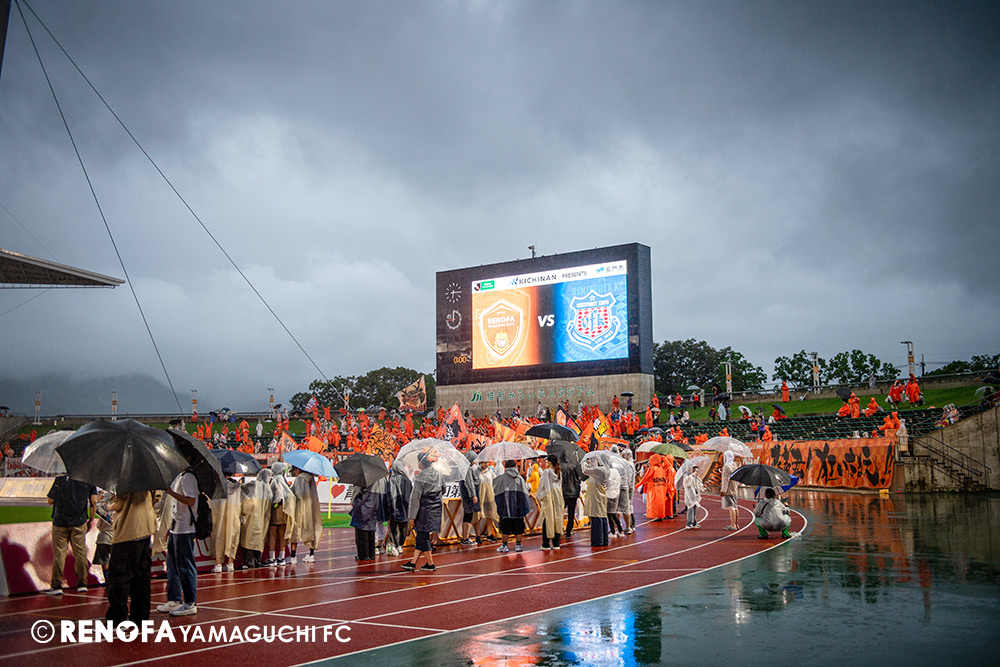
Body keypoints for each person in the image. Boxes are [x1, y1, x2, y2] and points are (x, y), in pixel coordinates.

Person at [105, 490, 156, 625]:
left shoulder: (126, 480)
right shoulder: (149, 480)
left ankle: (117, 619)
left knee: (119, 578)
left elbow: (119, 504)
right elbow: (155, 498)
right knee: (141, 577)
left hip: (127, 531)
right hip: (145, 527)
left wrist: (109, 506)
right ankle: (141, 616)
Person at [156, 464, 199, 616]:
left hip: (186, 528)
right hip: (176, 526)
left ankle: (190, 603)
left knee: (185, 565)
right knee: (172, 565)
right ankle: (174, 599)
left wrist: (171, 493)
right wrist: (170, 527)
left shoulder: (188, 477)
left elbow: (191, 501)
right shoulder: (179, 477)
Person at [46, 474, 97, 595]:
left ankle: (57, 585)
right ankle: (82, 583)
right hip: (79, 522)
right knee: (80, 553)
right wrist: (91, 519)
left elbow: (50, 501)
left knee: (59, 555)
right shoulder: (88, 479)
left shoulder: (60, 479)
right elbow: (94, 501)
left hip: (60, 522)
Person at [403, 452, 443, 571]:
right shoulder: (439, 474)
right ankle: (413, 562)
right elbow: (444, 489)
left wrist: (412, 516)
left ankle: (430, 564)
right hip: (436, 507)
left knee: (422, 535)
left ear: (422, 463)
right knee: (422, 535)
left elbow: (416, 497)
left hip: (424, 509)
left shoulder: (421, 476)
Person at [493, 460, 532, 553]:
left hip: (505, 508)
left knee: (505, 527)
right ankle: (518, 545)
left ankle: (504, 546)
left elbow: (495, 488)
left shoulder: (501, 478)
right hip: (517, 507)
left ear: (505, 467)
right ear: (515, 467)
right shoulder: (520, 478)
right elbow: (525, 491)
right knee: (518, 526)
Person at [265, 462, 296, 566]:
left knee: (272, 534)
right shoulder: (283, 480)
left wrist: (274, 504)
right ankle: (281, 557)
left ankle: (272, 558)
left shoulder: (276, 479)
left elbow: (279, 494)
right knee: (282, 534)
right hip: (284, 510)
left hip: (276, 509)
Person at [289, 467, 323, 563]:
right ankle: (311, 554)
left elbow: (298, 494)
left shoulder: (300, 478)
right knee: (310, 529)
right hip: (310, 506)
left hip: (300, 507)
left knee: (295, 530)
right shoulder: (310, 478)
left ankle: (293, 556)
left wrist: (291, 489)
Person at [239, 469, 272, 568]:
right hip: (262, 519)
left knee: (248, 539)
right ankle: (257, 560)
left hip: (251, 517)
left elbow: (242, 492)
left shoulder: (253, 485)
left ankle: (249, 561)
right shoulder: (268, 489)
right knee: (259, 541)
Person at [210, 477, 242, 572]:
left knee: (219, 536)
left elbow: (211, 502)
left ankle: (218, 564)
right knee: (232, 537)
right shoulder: (237, 487)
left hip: (219, 515)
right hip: (234, 515)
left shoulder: (216, 486)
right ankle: (230, 563)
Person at [350, 479, 382, 562]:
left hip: (363, 504)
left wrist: (352, 500)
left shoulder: (361, 478)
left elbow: (356, 490)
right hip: (374, 504)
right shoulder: (377, 478)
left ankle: (363, 555)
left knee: (361, 530)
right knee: (371, 529)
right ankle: (371, 554)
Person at [537, 455, 564, 550]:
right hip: (558, 496)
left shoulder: (546, 472)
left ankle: (546, 544)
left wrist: (540, 496)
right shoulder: (559, 472)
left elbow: (543, 486)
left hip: (549, 496)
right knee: (558, 519)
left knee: (548, 519)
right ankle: (556, 543)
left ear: (549, 462)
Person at [635, 454, 669, 521]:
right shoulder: (661, 469)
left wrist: (638, 484)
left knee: (654, 502)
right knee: (660, 502)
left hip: (654, 488)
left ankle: (655, 515)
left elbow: (646, 477)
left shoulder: (652, 468)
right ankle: (660, 515)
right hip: (661, 488)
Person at [583, 464, 609, 547]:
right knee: (602, 517)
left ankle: (597, 541)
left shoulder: (598, 470)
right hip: (601, 495)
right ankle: (604, 540)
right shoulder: (605, 470)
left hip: (596, 496)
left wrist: (584, 463)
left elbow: (584, 470)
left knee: (596, 518)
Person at [459, 452, 482, 546]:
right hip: (468, 496)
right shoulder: (467, 469)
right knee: (468, 515)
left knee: (468, 515)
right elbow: (469, 483)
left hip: (466, 495)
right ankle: (465, 538)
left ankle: (465, 537)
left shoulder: (464, 468)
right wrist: (473, 495)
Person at [561, 454, 583, 539]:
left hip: (563, 492)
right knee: (571, 513)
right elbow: (578, 479)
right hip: (573, 493)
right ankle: (569, 531)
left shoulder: (560, 467)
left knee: (560, 512)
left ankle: (560, 529)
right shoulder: (574, 467)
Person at [720, 451, 740, 531]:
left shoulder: (726, 467)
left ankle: (732, 525)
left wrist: (723, 490)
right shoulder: (734, 466)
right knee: (735, 506)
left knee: (731, 507)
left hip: (729, 489)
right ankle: (736, 524)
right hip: (734, 489)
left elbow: (726, 479)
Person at [682, 463, 704, 529]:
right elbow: (686, 483)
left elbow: (699, 483)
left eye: (695, 468)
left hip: (695, 495)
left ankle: (694, 522)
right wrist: (692, 476)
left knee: (695, 509)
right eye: (693, 468)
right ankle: (689, 523)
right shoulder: (687, 475)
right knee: (690, 509)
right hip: (689, 495)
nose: (694, 469)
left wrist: (703, 486)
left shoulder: (696, 477)